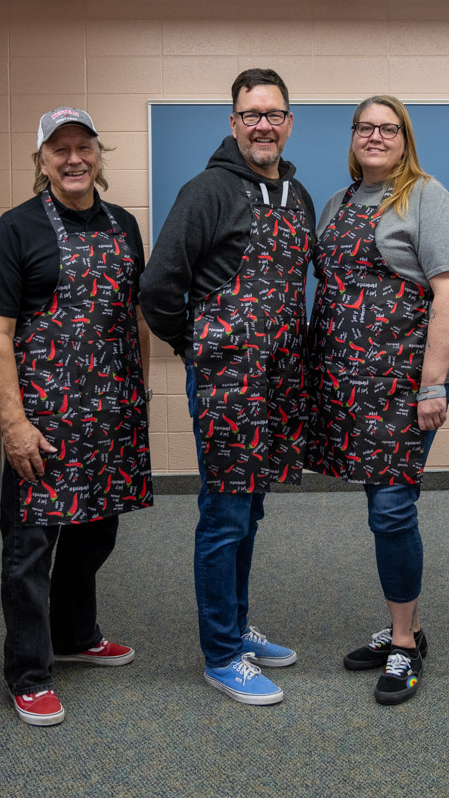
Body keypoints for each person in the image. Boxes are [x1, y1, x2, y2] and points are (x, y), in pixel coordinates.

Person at [141, 68, 315, 706]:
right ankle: (220, 654)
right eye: (251, 115)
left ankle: (237, 627)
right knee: (223, 513)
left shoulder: (296, 196)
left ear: (288, 122)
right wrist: (198, 345)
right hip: (226, 380)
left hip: (278, 380)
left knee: (251, 509)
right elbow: (159, 285)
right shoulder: (207, 190)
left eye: (274, 113)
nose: (263, 125)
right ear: (234, 124)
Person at [0, 106, 150, 727]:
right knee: (30, 547)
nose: (73, 159)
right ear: (41, 161)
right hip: (44, 415)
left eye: (84, 147)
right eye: (59, 150)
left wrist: (141, 395)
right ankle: (28, 671)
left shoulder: (124, 225)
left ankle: (76, 633)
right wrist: (13, 423)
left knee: (96, 532)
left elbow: (133, 318)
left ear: (99, 157)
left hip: (111, 414)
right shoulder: (18, 228)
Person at [307, 94, 449, 706]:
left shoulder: (428, 197)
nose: (375, 136)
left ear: (406, 138)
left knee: (393, 506)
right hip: (350, 377)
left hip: (406, 378)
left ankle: (403, 644)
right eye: (365, 128)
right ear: (352, 137)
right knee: (382, 501)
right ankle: (410, 627)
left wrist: (432, 386)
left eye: (388, 128)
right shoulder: (336, 203)